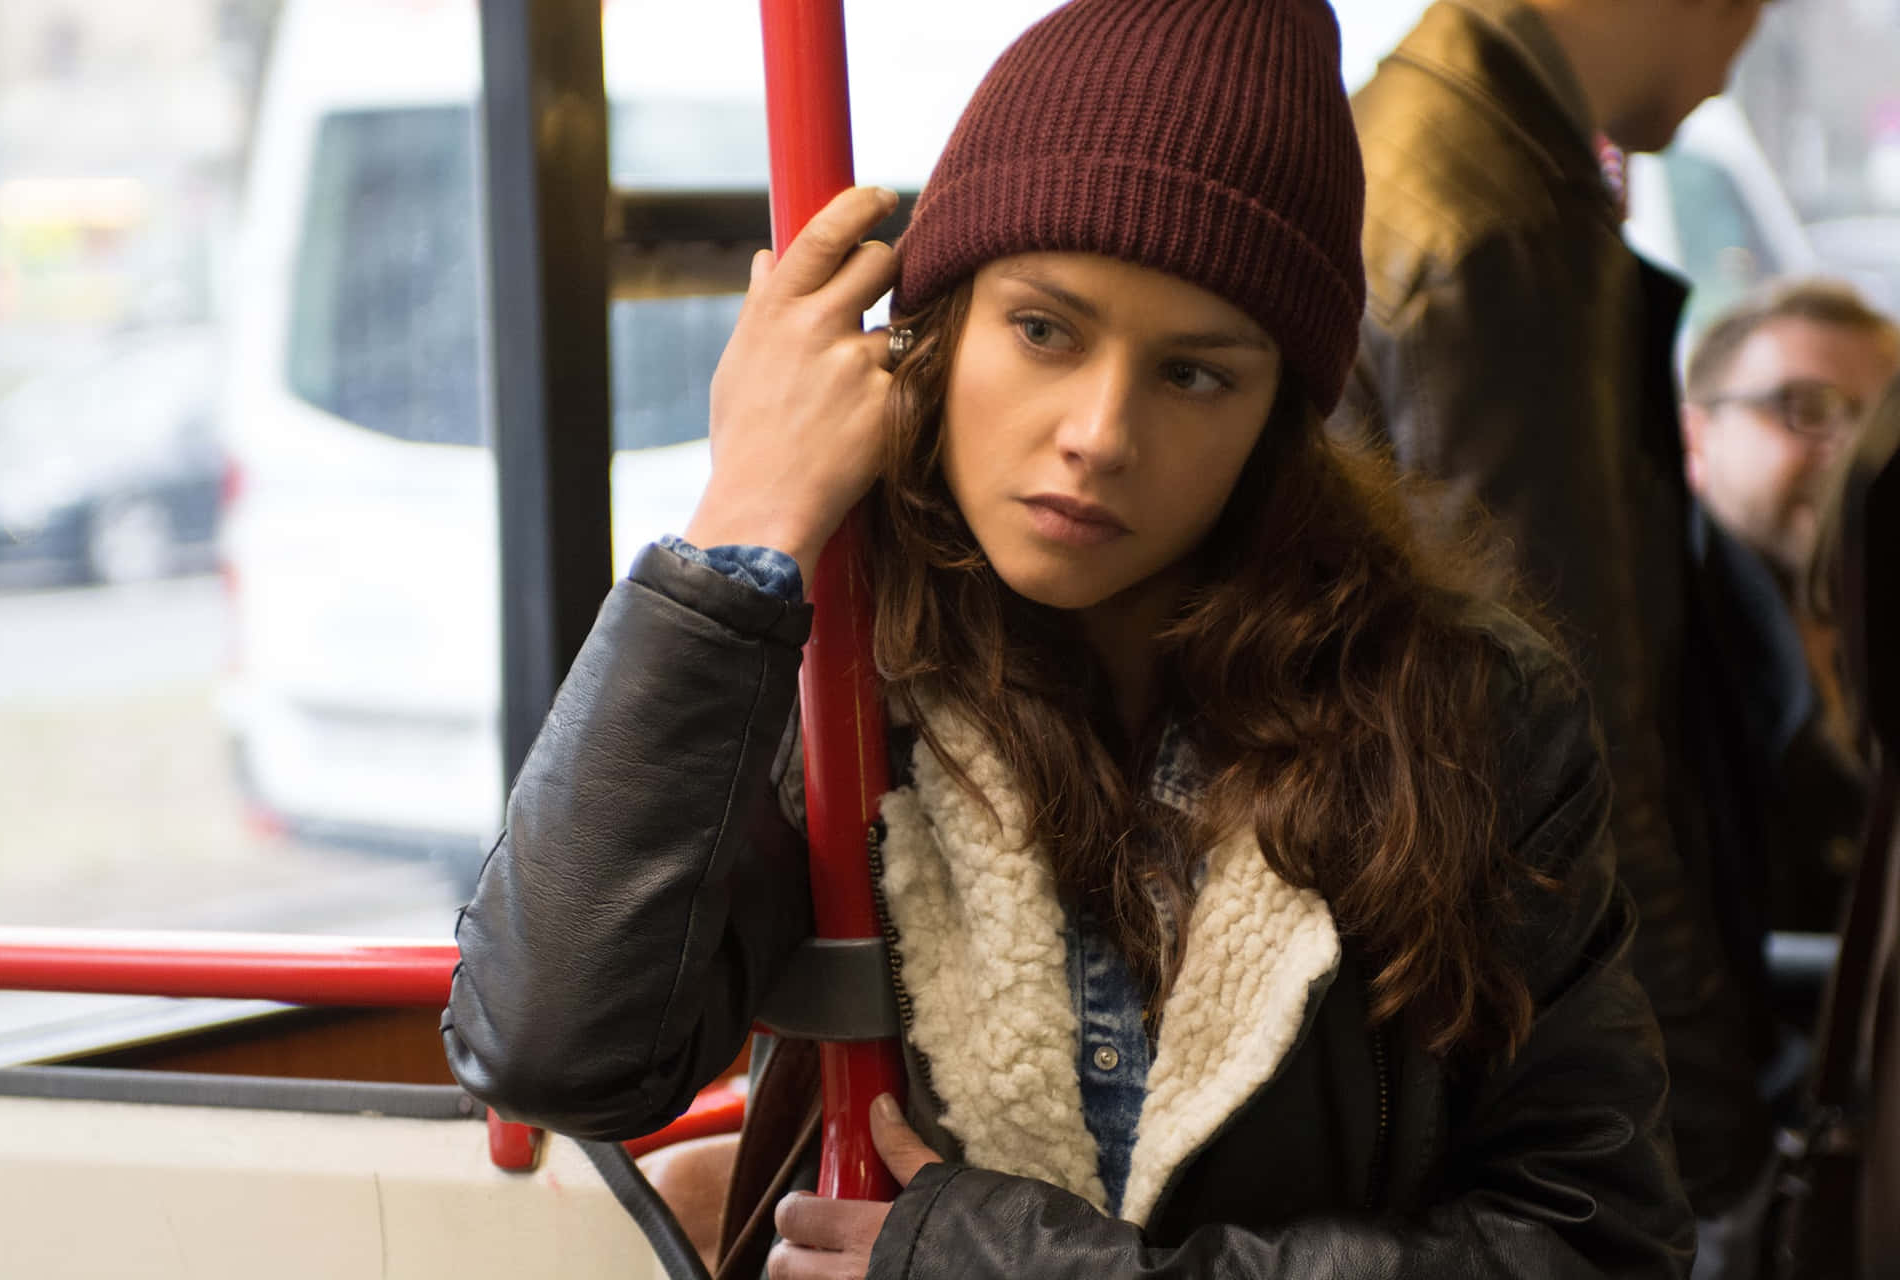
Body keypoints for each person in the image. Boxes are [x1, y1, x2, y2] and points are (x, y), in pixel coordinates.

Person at [443, 1, 1693, 1275]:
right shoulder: (827, 668)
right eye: (1043, 329)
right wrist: (742, 523)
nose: (1099, 431)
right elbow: (554, 1046)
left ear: (1276, 420)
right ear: (940, 327)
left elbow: (1593, 1242)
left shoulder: (1468, 714)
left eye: (1194, 373)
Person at [1337, 0, 1775, 1230]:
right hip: (1502, 1022)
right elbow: (1570, 722)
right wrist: (1708, 1125)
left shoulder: (1430, 150)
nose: (1746, 43)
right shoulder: (1491, 215)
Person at [1681, 281, 1898, 933]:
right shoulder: (1657, 648)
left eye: (1885, 418)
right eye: (1805, 408)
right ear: (1697, 435)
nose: (1855, 453)